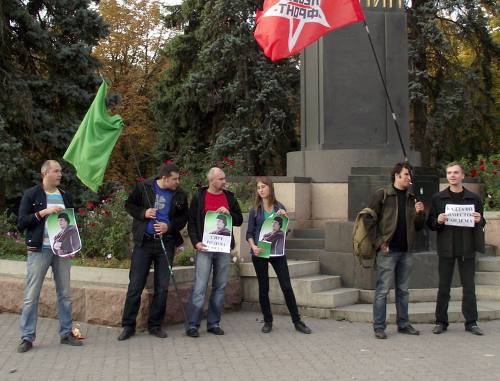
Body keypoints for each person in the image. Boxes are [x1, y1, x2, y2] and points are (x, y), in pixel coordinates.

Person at [17, 160, 82, 353]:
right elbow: (21, 222)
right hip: (39, 250)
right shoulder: (32, 194)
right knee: (31, 295)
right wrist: (43, 213)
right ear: (45, 173)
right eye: (56, 171)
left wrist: (72, 245)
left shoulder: (65, 196)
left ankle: (66, 333)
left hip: (62, 252)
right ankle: (27, 337)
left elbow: (71, 222)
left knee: (65, 295)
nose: (60, 174)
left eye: (61, 171)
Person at [117, 163, 189, 341]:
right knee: (135, 285)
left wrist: (169, 226)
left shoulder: (180, 194)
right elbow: (129, 205)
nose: (177, 182)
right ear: (164, 178)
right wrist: (143, 212)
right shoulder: (144, 187)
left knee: (162, 287)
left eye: (178, 179)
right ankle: (128, 325)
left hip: (166, 242)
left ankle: (155, 325)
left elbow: (183, 218)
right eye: (174, 179)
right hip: (144, 243)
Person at [363, 162, 426, 339]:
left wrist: (421, 213)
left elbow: (419, 227)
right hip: (388, 251)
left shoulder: (411, 197)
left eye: (410, 175)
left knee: (403, 290)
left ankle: (403, 324)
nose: (409, 178)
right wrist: (379, 243)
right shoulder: (383, 195)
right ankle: (379, 327)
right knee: (383, 290)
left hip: (406, 251)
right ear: (396, 175)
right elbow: (368, 219)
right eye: (406, 174)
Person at [246, 176, 311, 334]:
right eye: (259, 187)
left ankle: (297, 321)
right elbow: (249, 233)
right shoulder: (255, 209)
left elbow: (284, 232)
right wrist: (253, 246)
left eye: (263, 187)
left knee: (286, 286)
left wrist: (285, 218)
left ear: (270, 188)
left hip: (276, 252)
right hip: (260, 251)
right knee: (264, 287)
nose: (261, 190)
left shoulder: (279, 207)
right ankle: (268, 321)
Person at [427, 162, 486, 335]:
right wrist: (437, 221)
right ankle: (441, 321)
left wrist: (479, 219)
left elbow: (482, 222)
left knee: (469, 287)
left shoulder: (473, 198)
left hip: (467, 248)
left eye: (455, 172)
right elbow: (431, 224)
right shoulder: (438, 198)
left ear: (462, 175)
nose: (452, 175)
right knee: (444, 287)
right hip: (446, 248)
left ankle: (471, 322)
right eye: (449, 172)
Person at [185, 167, 243, 337]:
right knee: (200, 286)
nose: (224, 181)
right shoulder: (199, 197)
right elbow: (192, 223)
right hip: (205, 248)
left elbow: (239, 220)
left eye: (224, 178)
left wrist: (229, 214)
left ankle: (214, 323)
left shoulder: (229, 197)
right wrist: (196, 242)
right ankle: (193, 325)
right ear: (211, 181)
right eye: (221, 179)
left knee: (220, 286)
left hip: (223, 249)